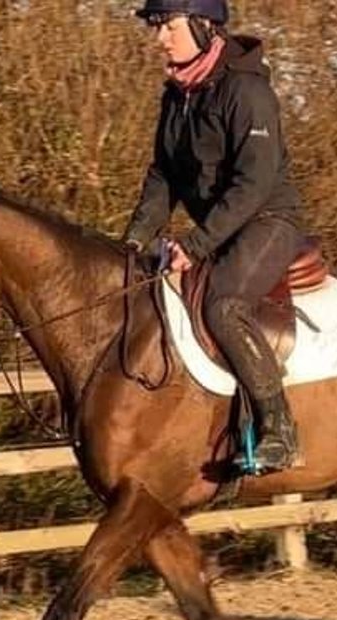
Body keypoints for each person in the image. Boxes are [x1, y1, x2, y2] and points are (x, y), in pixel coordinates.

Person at [124, 0, 307, 472]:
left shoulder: (247, 93)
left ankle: (279, 430)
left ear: (204, 26)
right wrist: (134, 241)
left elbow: (254, 184)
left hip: (267, 220)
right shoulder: (178, 96)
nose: (159, 37)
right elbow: (164, 175)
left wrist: (197, 244)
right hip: (220, 229)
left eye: (167, 26)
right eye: (156, 27)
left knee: (223, 306)